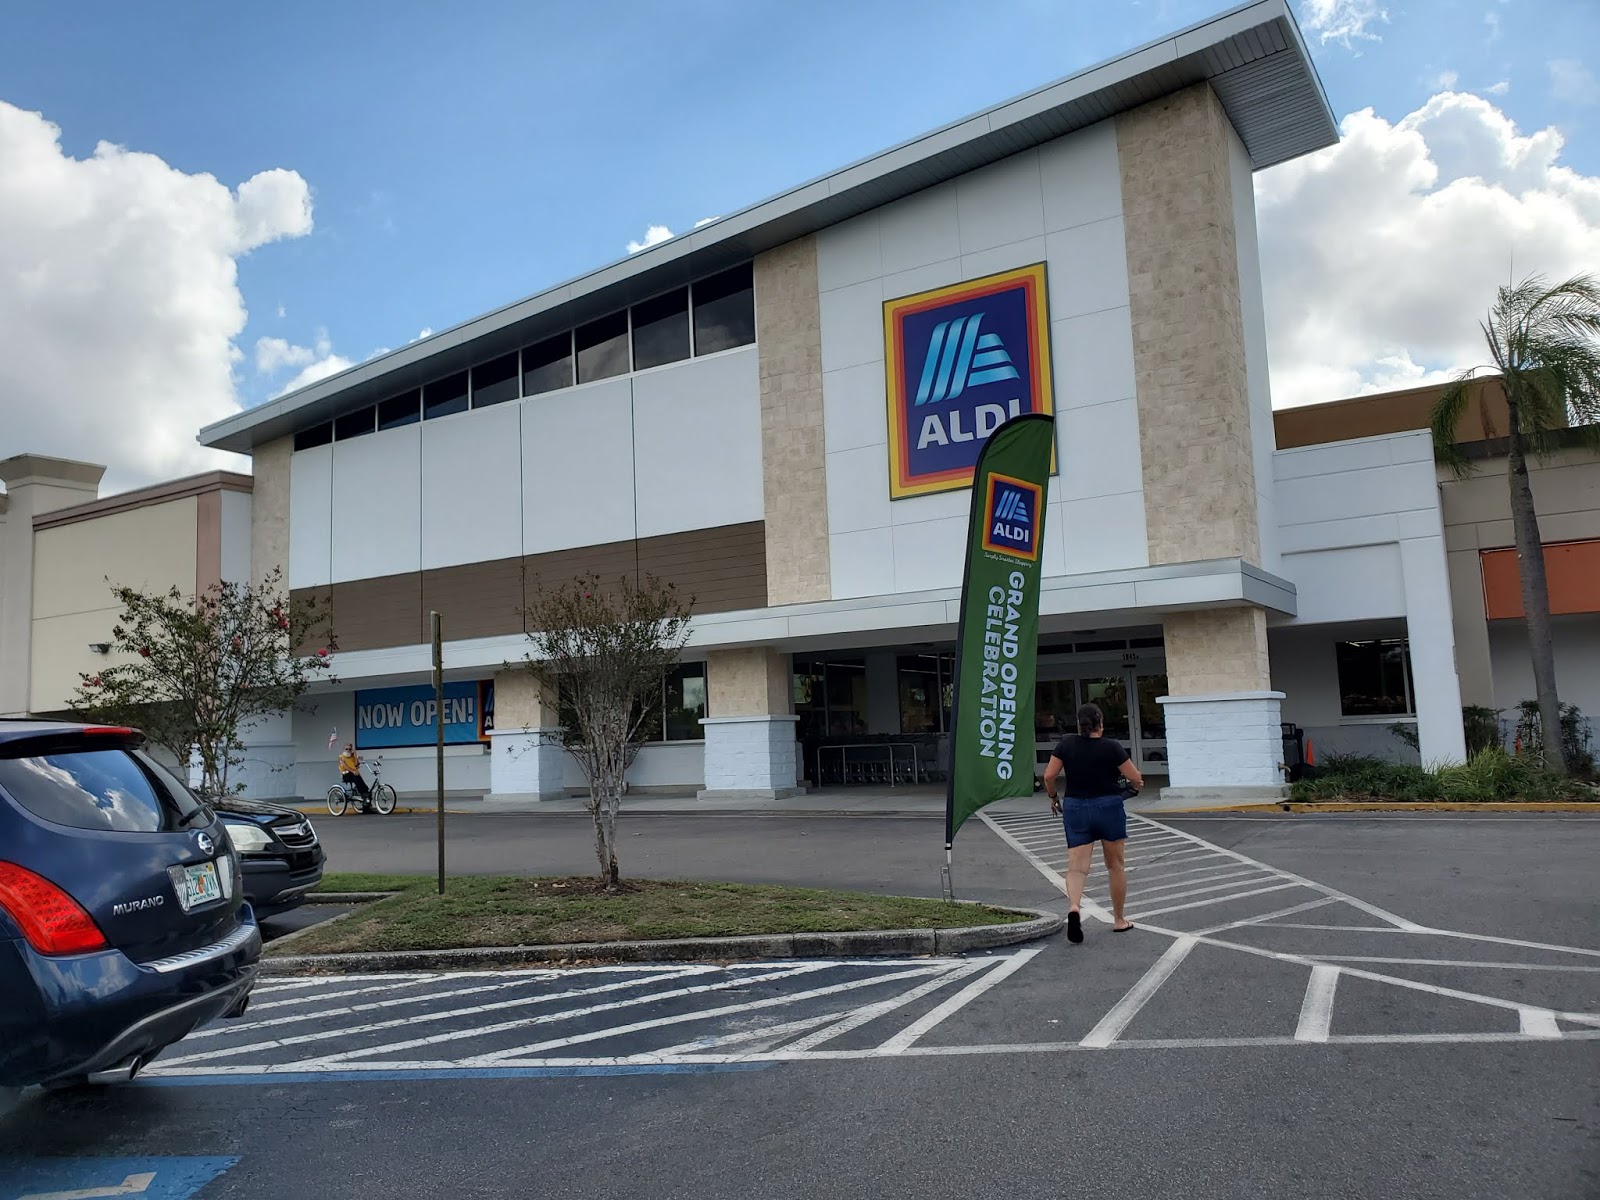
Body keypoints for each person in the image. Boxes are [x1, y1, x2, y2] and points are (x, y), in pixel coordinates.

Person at [1043, 703, 1143, 943]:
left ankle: (1075, 907)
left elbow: (1048, 776)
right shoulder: (1112, 747)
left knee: (1077, 867)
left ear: (1079, 724)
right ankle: (1119, 920)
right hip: (1108, 807)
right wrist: (1132, 786)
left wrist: (1053, 797)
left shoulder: (1066, 744)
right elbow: (1135, 777)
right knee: (1115, 865)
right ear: (1101, 723)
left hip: (1076, 807)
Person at [337, 743, 373, 813]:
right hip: (346, 775)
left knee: (366, 789)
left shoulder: (352, 756)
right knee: (357, 779)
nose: (348, 750)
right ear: (344, 749)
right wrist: (353, 771)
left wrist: (355, 754)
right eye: (346, 749)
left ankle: (366, 807)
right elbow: (345, 766)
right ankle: (363, 794)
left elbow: (357, 765)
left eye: (350, 749)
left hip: (355, 774)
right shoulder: (341, 757)